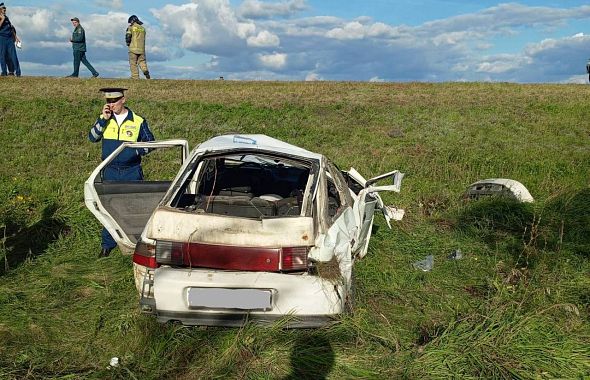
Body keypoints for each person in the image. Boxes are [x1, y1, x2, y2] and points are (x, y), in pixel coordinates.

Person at [88, 87, 155, 257]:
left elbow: (151, 143)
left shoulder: (138, 121)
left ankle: (136, 244)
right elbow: (92, 137)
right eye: (108, 101)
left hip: (131, 171)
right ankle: (107, 245)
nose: (111, 104)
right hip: (109, 171)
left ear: (123, 100)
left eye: (114, 101)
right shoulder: (104, 120)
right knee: (108, 208)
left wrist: (134, 152)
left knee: (134, 207)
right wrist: (103, 120)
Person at [126, 15, 150, 79]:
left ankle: (135, 76)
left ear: (132, 21)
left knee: (133, 63)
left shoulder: (131, 27)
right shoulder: (143, 28)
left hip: (133, 48)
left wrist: (128, 43)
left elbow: (128, 37)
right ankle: (145, 70)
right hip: (141, 49)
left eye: (130, 22)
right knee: (142, 61)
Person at [0, 2, 20, 77]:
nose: (5, 9)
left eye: (5, 8)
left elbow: (11, 28)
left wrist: (16, 38)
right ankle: (4, 72)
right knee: (2, 55)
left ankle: (18, 73)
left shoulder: (7, 18)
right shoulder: (2, 17)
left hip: (9, 39)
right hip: (2, 38)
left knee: (13, 55)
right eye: (3, 8)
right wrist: (2, 19)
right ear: (0, 9)